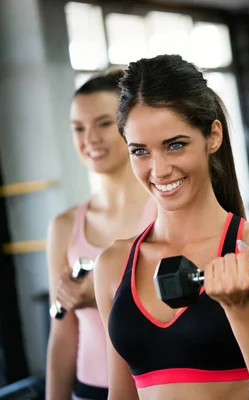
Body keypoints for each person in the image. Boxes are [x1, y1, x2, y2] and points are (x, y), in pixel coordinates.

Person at [93, 54, 249, 400]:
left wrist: (242, 308)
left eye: (175, 145)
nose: (159, 170)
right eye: (140, 151)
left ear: (213, 136)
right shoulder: (113, 264)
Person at [46, 69, 156, 400]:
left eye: (104, 124)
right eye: (78, 128)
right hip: (89, 390)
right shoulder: (65, 226)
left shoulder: (164, 213)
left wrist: (100, 296)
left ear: (129, 126)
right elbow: (62, 334)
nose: (89, 138)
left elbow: (185, 311)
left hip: (158, 388)